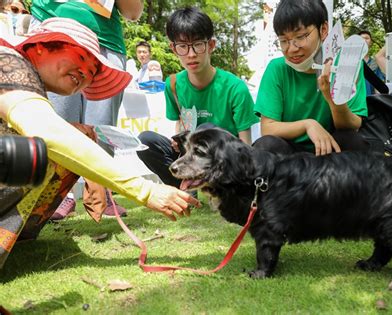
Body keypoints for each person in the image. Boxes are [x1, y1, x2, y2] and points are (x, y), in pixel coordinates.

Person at [0, 17, 199, 269]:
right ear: (41, 46)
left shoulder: (27, 79)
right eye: (80, 58)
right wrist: (145, 190)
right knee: (47, 148)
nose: (84, 74)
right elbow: (47, 132)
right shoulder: (9, 62)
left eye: (91, 73)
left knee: (70, 139)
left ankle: (13, 236)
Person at [29, 0, 144, 219]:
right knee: (54, 126)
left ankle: (101, 193)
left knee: (100, 129)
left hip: (105, 39)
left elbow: (133, 12)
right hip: (53, 28)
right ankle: (57, 196)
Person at [136, 7, 259, 188]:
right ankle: (184, 188)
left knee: (204, 130)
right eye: (183, 46)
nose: (191, 54)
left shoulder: (235, 88)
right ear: (173, 48)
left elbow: (245, 146)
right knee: (145, 141)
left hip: (223, 162)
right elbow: (180, 124)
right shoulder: (173, 84)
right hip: (189, 156)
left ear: (211, 45)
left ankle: (216, 187)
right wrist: (177, 141)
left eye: (198, 45)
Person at [253, 0, 368, 156]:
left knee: (352, 140)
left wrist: (333, 99)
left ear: (324, 29)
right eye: (284, 41)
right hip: (290, 154)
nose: (292, 49)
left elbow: (354, 125)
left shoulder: (345, 64)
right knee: (266, 145)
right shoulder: (277, 68)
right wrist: (308, 125)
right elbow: (268, 128)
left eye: (300, 37)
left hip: (329, 150)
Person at [358, 30, 386, 95]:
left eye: (366, 38)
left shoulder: (376, 64)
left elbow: (379, 85)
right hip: (357, 102)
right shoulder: (352, 63)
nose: (364, 40)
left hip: (371, 101)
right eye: (361, 39)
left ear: (370, 42)